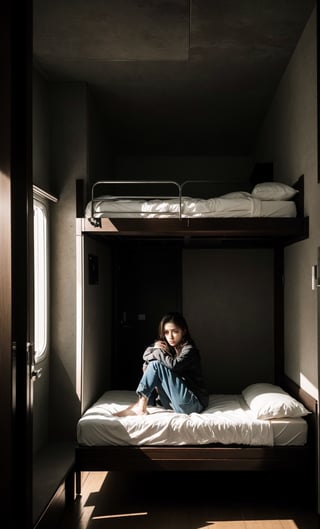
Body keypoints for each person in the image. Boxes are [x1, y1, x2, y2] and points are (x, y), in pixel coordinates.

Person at [113, 312, 209, 416]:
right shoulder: (169, 349)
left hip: (192, 403)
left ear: (184, 331)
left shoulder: (189, 350)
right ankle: (143, 403)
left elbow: (174, 365)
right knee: (150, 365)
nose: (170, 336)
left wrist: (156, 351)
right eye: (166, 332)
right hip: (173, 402)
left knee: (156, 365)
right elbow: (145, 356)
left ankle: (141, 405)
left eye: (175, 331)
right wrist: (155, 347)